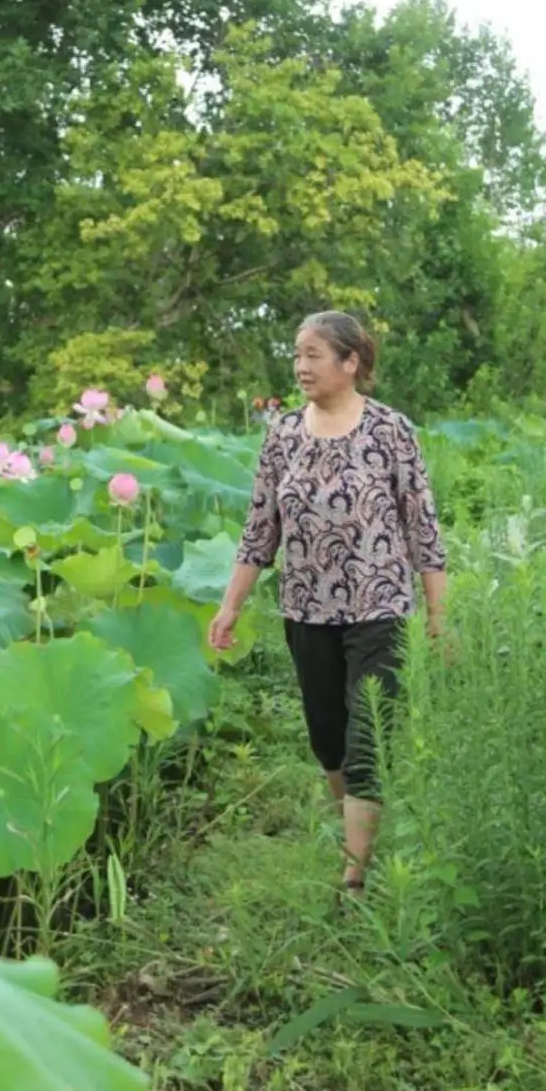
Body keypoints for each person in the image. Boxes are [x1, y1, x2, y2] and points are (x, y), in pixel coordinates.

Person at [208, 311, 447, 893]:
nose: (300, 366)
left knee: (368, 740)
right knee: (327, 739)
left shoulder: (391, 431)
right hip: (306, 609)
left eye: (313, 354)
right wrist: (230, 605)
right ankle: (357, 829)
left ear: (351, 363)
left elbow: (423, 527)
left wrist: (439, 614)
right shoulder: (283, 435)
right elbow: (259, 529)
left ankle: (355, 877)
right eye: (297, 354)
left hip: (380, 608)